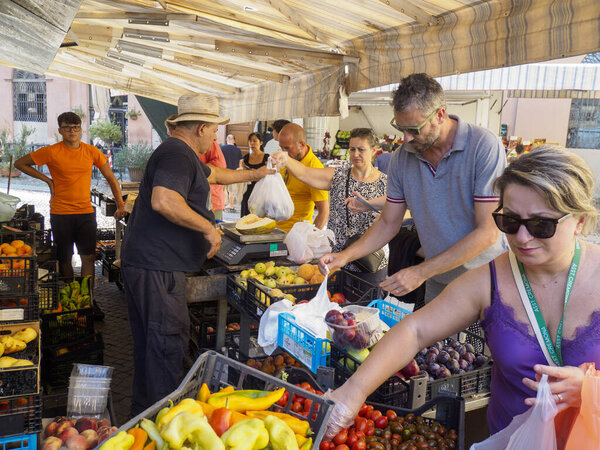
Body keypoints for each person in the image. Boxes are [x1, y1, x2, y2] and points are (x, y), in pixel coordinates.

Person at [324, 146, 600, 444]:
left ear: (580, 221)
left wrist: (590, 390)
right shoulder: (490, 281)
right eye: (510, 221)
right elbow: (415, 331)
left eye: (541, 224)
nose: (522, 238)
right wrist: (354, 391)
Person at [120, 93, 274, 415]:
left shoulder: (183, 155)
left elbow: (216, 176)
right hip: (158, 270)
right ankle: (164, 422)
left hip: (150, 266)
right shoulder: (177, 153)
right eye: (214, 130)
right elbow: (164, 200)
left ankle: (143, 418)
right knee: (165, 348)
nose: (216, 137)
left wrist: (256, 175)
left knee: (151, 349)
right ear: (201, 128)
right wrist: (208, 229)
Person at [324, 73, 507, 302]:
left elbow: (488, 232)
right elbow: (389, 222)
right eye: (401, 128)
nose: (407, 138)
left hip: (486, 282)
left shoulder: (483, 146)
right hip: (438, 281)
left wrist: (421, 271)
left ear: (440, 115)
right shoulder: (402, 158)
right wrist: (344, 256)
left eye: (414, 129)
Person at [15, 112, 126, 283]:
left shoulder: (91, 151)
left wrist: (120, 204)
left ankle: (87, 299)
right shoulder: (51, 151)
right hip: (60, 213)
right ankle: (70, 294)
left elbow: (111, 178)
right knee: (64, 258)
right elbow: (20, 163)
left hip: (85, 213)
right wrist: (47, 180)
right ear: (60, 130)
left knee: (88, 257)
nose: (72, 131)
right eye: (67, 128)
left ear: (81, 129)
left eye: (76, 127)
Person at [271, 128, 387, 284]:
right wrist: (286, 159)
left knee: (368, 306)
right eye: (352, 149)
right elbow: (305, 173)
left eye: (361, 149)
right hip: (336, 262)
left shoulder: (386, 184)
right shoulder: (338, 176)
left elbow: (398, 215)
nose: (355, 154)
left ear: (374, 150)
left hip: (370, 263)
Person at [276, 123, 329, 232]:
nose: (283, 152)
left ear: (302, 144)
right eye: (281, 147)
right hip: (273, 231)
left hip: (295, 234)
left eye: (287, 148)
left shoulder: (314, 167)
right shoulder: (286, 159)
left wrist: (310, 239)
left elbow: (324, 212)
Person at [240, 132, 269, 216]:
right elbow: (243, 174)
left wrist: (253, 172)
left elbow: (269, 173)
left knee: (259, 217)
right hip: (248, 190)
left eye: (254, 141)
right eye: (250, 141)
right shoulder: (246, 158)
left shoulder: (266, 157)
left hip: (261, 191)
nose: (252, 143)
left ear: (261, 143)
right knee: (246, 215)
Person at [199, 141, 227, 220]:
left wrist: (195, 168)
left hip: (212, 200)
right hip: (190, 203)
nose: (215, 136)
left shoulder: (210, 142)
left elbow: (219, 165)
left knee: (213, 229)